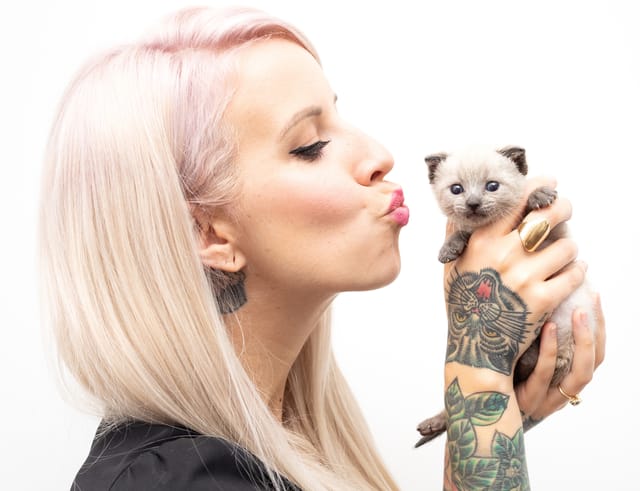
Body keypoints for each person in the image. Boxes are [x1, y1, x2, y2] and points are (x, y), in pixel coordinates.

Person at [38, 6, 605, 491]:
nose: (380, 153)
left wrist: (490, 413)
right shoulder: (179, 480)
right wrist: (477, 367)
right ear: (208, 235)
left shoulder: (279, 448)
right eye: (309, 145)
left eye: (340, 113)